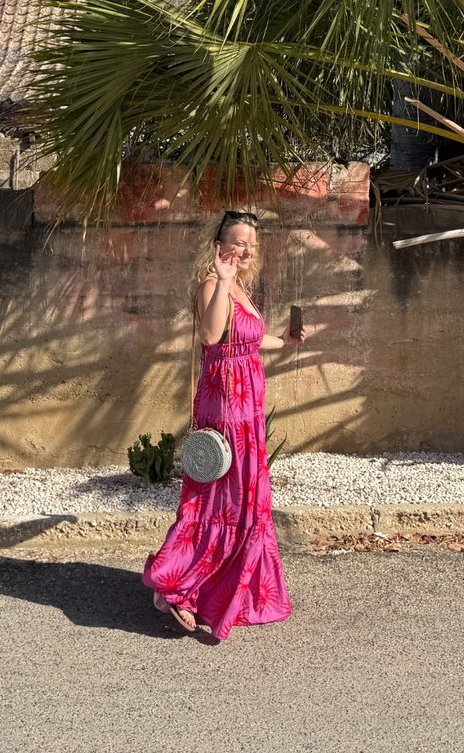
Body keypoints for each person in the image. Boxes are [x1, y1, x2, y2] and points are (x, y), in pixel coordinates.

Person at [143, 208, 303, 639]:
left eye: (251, 242)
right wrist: (225, 279)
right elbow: (213, 338)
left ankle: (219, 587)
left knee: (244, 498)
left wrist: (283, 341)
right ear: (218, 246)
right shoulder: (213, 286)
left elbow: (247, 339)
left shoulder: (242, 290)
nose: (246, 249)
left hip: (248, 407)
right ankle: (177, 586)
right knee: (218, 498)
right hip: (226, 405)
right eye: (237, 241)